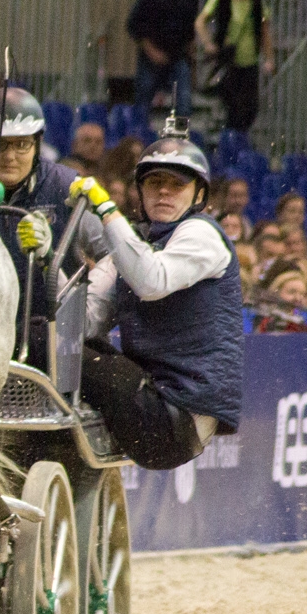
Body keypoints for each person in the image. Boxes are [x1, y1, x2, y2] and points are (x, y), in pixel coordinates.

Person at [72, 123, 242, 470]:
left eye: (176, 185)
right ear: (141, 191)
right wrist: (45, 259)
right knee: (51, 341)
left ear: (198, 196)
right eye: (154, 183)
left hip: (176, 418)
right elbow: (81, 322)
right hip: (148, 398)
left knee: (59, 351)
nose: (164, 192)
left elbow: (151, 280)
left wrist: (106, 211)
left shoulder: (202, 234)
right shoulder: (132, 244)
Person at [0, 86, 106, 368]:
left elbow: (114, 254)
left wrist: (88, 312)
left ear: (38, 145)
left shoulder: (67, 188)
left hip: (49, 335)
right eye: (0, 144)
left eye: (21, 144)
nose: (10, 156)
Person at [197, 0, 274, 134]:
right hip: (228, 61)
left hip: (249, 62)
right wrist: (209, 43)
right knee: (233, 108)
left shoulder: (257, 3)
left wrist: (269, 58)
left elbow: (265, 33)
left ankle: (238, 140)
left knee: (250, 108)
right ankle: (230, 140)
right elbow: (201, 22)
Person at [126, 0, 199, 121]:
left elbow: (189, 33)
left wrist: (192, 62)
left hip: (178, 58)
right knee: (143, 102)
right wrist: (151, 51)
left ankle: (181, 139)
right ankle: (139, 137)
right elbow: (134, 24)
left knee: (184, 103)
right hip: (151, 59)